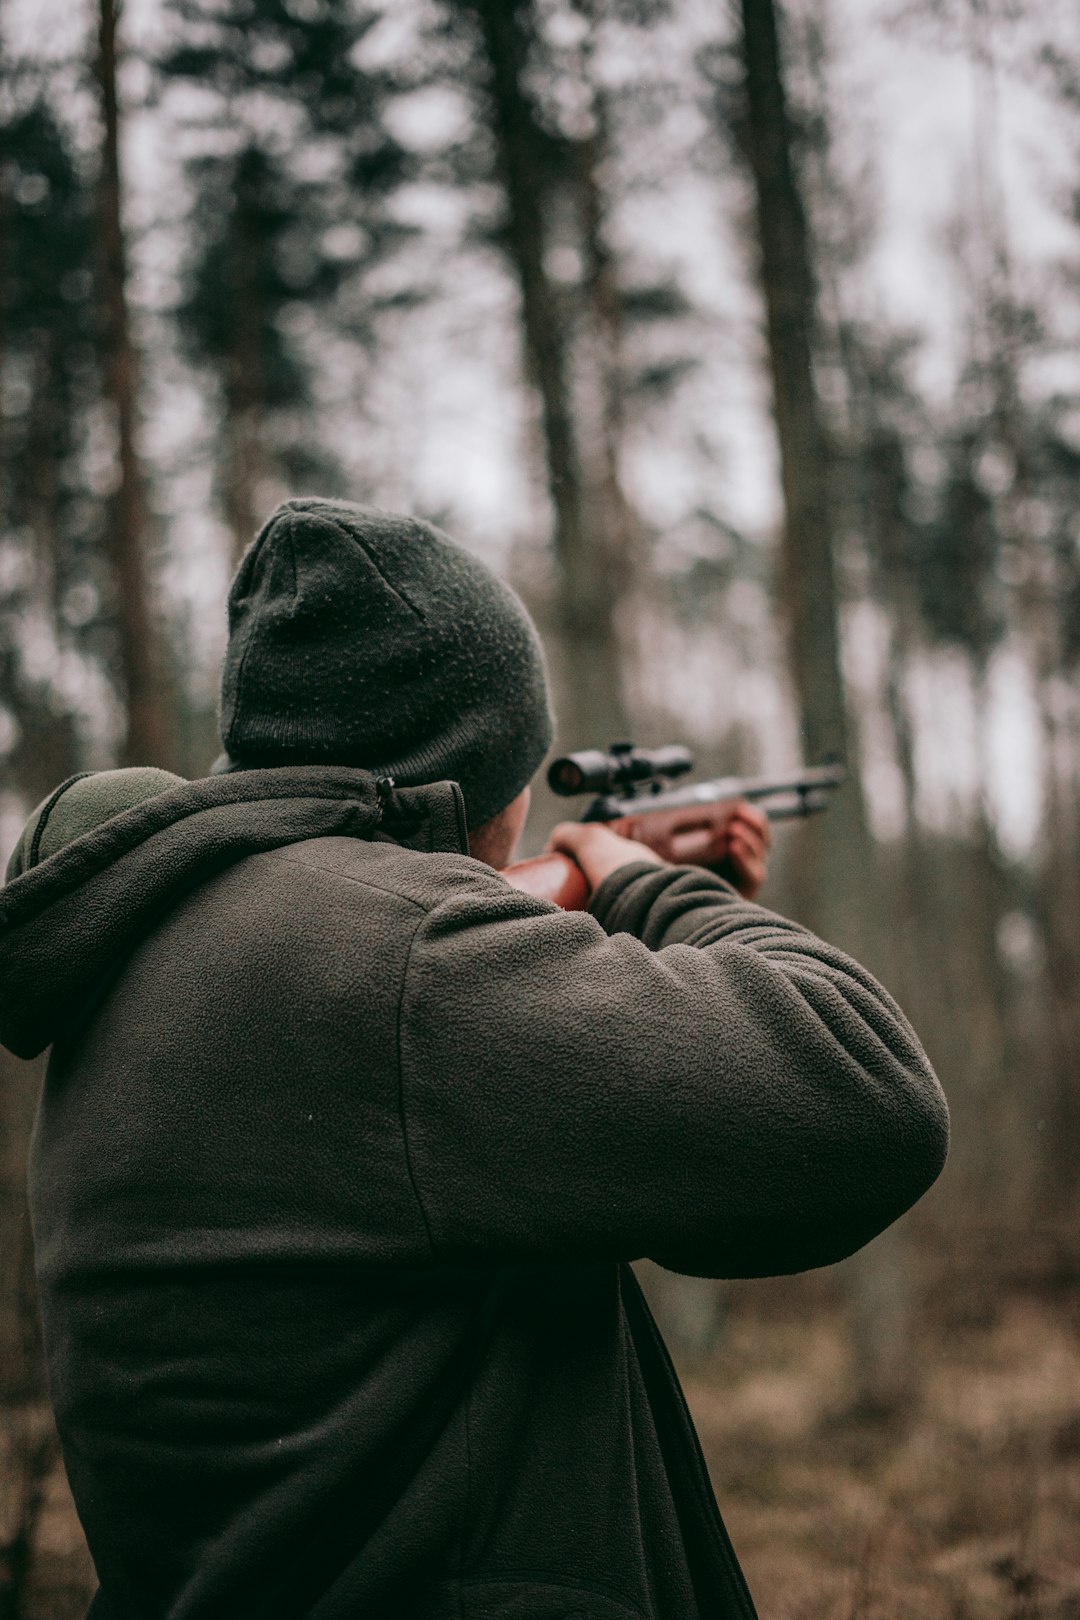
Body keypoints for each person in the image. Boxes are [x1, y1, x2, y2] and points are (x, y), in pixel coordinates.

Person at [0, 498, 948, 1620]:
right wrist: (646, 888)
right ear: (477, 770)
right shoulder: (399, 960)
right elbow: (869, 1097)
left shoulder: (167, 940)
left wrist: (613, 924)